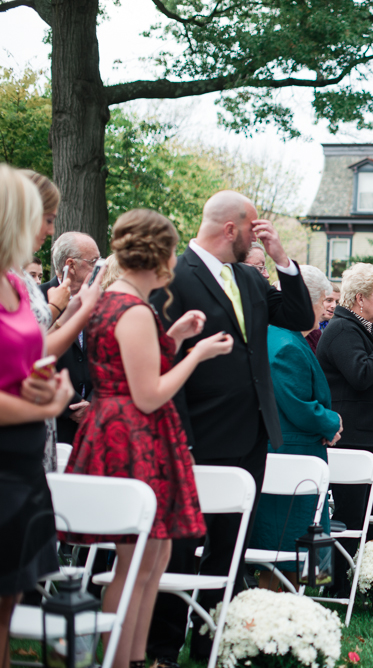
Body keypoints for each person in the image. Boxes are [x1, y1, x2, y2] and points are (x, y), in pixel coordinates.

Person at [146, 190, 313, 665]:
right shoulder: (175, 276)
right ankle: (162, 647)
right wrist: (181, 435)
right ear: (231, 230)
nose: (258, 235)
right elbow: (163, 356)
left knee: (232, 542)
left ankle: (212, 641)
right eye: (254, 227)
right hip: (196, 432)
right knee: (182, 546)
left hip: (252, 431)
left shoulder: (249, 275)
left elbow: (300, 317)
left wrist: (282, 258)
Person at [64, 209, 233, 668]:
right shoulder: (133, 309)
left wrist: (174, 338)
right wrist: (197, 354)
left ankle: (134, 659)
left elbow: (129, 366)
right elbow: (149, 391)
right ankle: (121, 660)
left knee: (151, 559)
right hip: (133, 436)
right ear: (159, 256)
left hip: (124, 429)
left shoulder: (115, 301)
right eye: (173, 251)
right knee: (136, 562)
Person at [0, 165, 74, 668]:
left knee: (9, 598)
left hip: (25, 457)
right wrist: (43, 405)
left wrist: (34, 379)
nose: (47, 230)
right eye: (39, 218)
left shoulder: (11, 282)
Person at [250, 264, 343, 590]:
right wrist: (332, 422)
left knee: (295, 546)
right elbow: (296, 404)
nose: (324, 312)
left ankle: (294, 610)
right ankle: (279, 614)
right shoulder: (285, 343)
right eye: (323, 302)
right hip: (290, 456)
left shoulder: (284, 337)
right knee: (285, 548)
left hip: (296, 454)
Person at [316, 262, 373, 596]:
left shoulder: (362, 327)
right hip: (349, 438)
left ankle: (353, 582)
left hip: (366, 436)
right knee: (350, 517)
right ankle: (336, 587)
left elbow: (370, 376)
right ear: (360, 298)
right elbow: (361, 374)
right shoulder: (341, 329)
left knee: (363, 515)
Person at [18, 170, 104, 472]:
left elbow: (36, 348)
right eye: (49, 219)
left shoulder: (19, 281)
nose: (50, 231)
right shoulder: (35, 290)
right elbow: (27, 357)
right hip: (29, 422)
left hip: (46, 430)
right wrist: (59, 404)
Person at [39, 231, 100, 445]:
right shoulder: (38, 300)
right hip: (51, 421)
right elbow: (33, 357)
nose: (99, 268)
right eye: (93, 262)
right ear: (71, 265)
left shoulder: (100, 301)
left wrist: (92, 403)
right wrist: (71, 406)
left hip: (94, 421)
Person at [305, 276, 336, 354]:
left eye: (337, 302)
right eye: (329, 300)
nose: (334, 305)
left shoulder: (335, 326)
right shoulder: (306, 330)